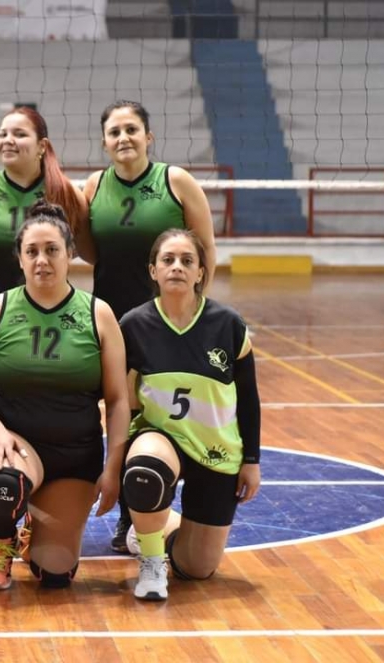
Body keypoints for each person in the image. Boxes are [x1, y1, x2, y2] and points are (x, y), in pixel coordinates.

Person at [0, 202, 130, 591]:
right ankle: (1, 541)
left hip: (75, 452)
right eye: (31, 251)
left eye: (52, 249)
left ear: (70, 253)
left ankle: (35, 526)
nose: (42, 260)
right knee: (4, 486)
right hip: (13, 442)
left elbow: (118, 400)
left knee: (55, 575)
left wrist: (113, 468)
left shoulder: (98, 314)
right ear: (19, 258)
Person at [0, 106, 88, 550]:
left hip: (48, 319)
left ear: (42, 145)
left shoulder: (66, 195)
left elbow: (89, 252)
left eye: (19, 134)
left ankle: (43, 493)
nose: (7, 140)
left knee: (38, 400)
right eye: (2, 133)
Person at [76, 100, 217, 553]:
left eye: (132, 129)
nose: (124, 138)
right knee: (117, 411)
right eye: (114, 131)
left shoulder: (176, 182)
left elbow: (205, 253)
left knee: (160, 415)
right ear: (104, 141)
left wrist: (190, 316)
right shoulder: (94, 186)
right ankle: (125, 516)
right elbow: (92, 252)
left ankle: (151, 514)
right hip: (110, 321)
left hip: (165, 324)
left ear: (148, 137)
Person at [118, 228, 261, 601]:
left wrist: (251, 460)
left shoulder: (228, 325)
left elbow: (248, 399)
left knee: (197, 570)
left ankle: (157, 526)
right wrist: (114, 459)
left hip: (215, 449)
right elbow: (119, 399)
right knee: (146, 472)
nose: (177, 267)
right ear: (153, 270)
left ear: (201, 272)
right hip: (160, 438)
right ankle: (151, 563)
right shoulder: (134, 325)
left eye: (187, 261)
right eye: (167, 260)